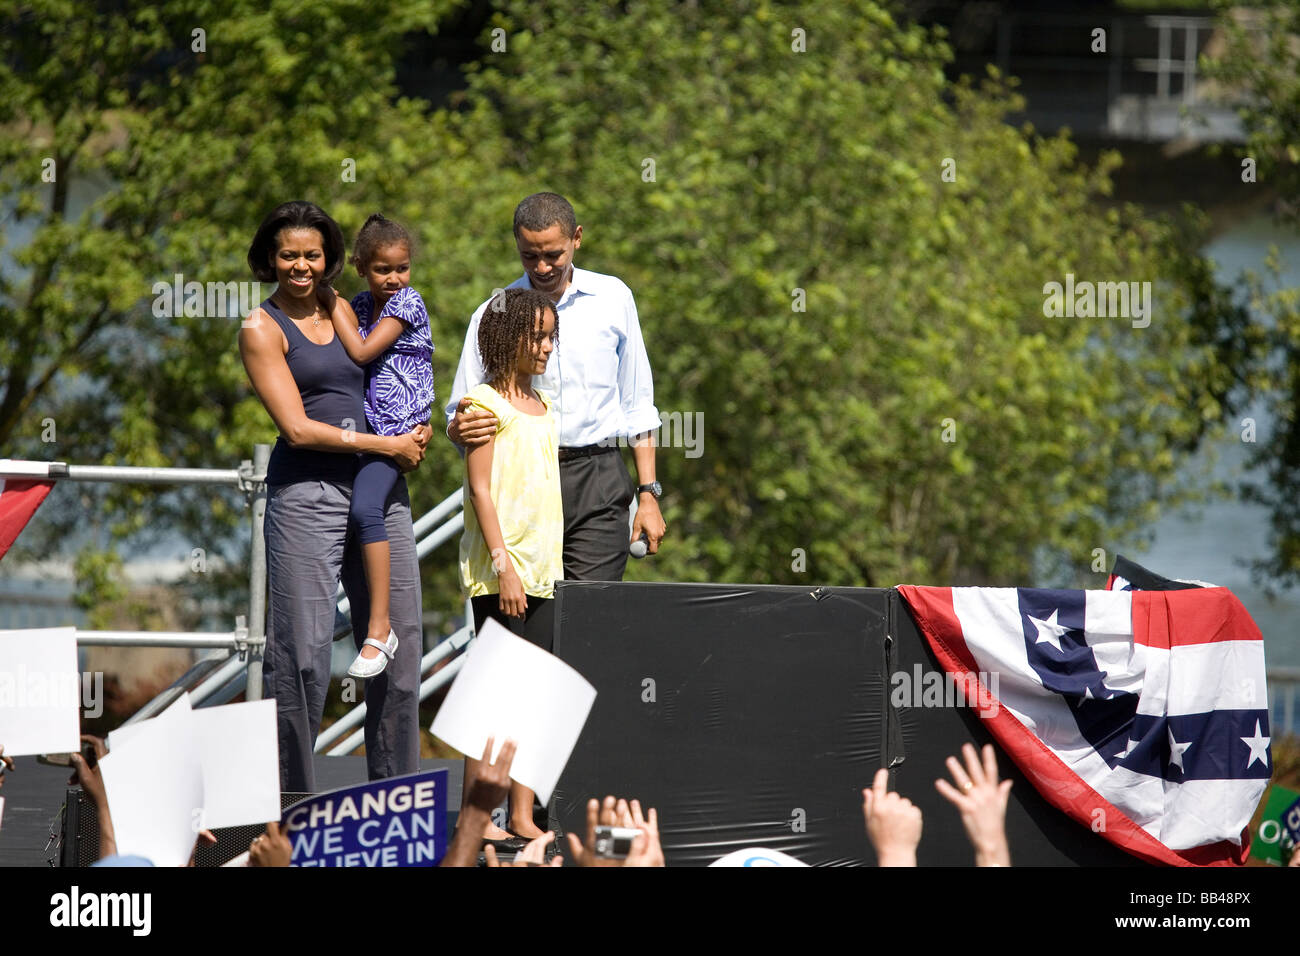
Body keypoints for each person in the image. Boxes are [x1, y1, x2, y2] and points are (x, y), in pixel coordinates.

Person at [239, 200, 427, 792]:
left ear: (329, 259)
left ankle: (396, 806)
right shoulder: (260, 328)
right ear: (271, 258)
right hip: (307, 492)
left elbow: (399, 365)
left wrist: (421, 427)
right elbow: (296, 428)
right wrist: (388, 442)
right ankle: (288, 813)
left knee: (399, 650)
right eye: (289, 255)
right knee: (303, 660)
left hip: (376, 484)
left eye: (312, 254)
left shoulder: (340, 304)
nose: (301, 265)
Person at [445, 192, 667, 585]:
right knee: (531, 618)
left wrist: (648, 493)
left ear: (577, 238)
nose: (542, 267)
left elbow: (638, 404)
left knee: (585, 614)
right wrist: (457, 429)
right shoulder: (492, 313)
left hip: (598, 476)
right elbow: (460, 410)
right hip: (521, 481)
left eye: (553, 254)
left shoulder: (614, 298)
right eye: (529, 256)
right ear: (517, 245)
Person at [457, 286, 563, 844]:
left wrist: (543, 569)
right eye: (537, 336)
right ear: (506, 339)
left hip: (546, 575)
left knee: (536, 694)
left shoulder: (547, 409)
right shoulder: (482, 405)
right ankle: (477, 820)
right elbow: (480, 491)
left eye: (551, 336)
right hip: (502, 574)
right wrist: (504, 567)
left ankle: (522, 816)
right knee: (497, 696)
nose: (546, 346)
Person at [320, 213, 435, 680]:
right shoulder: (363, 304)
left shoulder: (407, 302)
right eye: (384, 269)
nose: (394, 278)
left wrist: (329, 299)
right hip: (368, 434)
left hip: (396, 435)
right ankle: (336, 614)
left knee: (366, 511)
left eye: (402, 267)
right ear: (361, 266)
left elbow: (363, 353)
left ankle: (380, 627)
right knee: (329, 510)